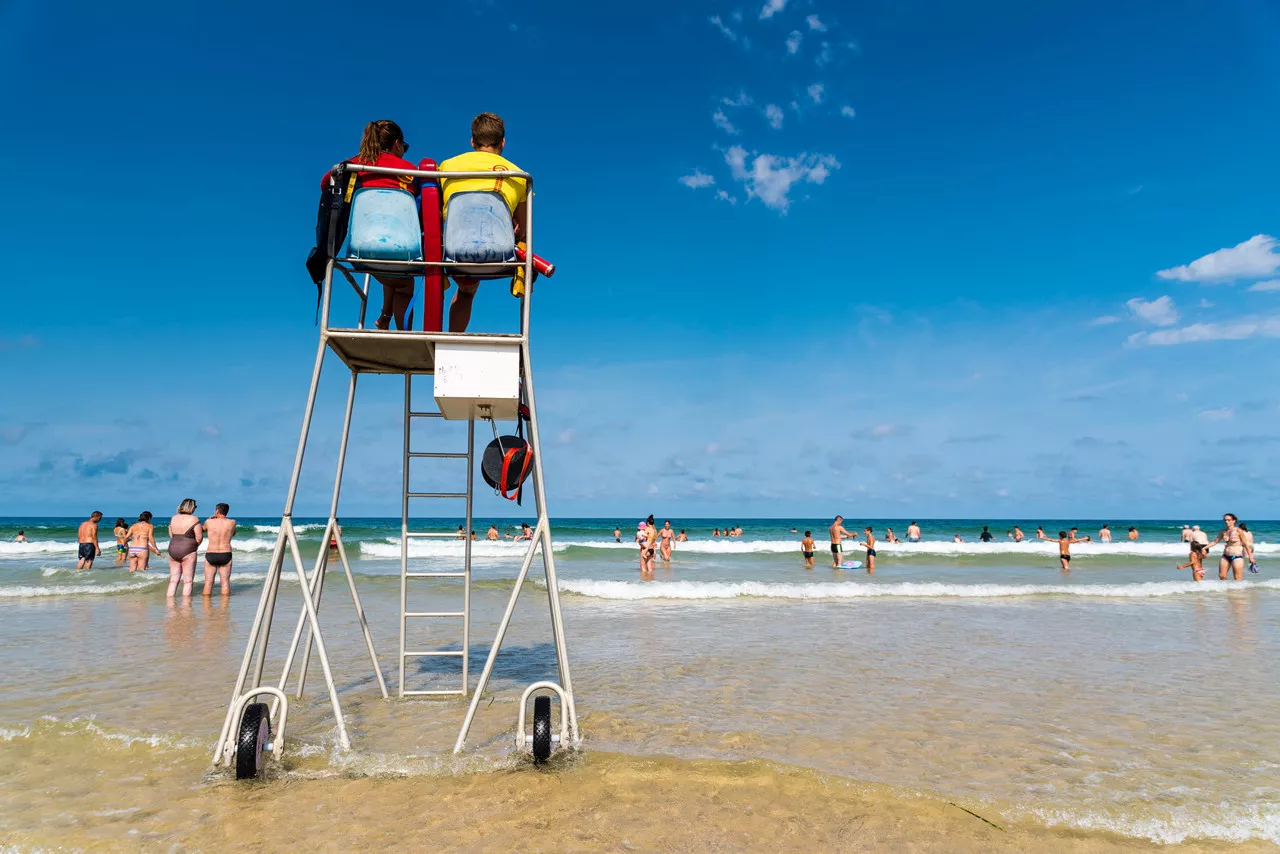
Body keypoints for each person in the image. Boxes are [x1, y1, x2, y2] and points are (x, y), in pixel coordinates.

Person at [320, 120, 419, 330]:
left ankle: (385, 317)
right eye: (404, 147)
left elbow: (326, 183)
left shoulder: (353, 165)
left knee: (388, 259)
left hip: (361, 250)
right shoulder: (412, 171)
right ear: (397, 143)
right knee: (403, 280)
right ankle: (403, 335)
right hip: (402, 250)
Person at [439, 113, 529, 333]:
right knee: (469, 290)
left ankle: (453, 338)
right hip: (500, 255)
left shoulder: (446, 167)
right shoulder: (519, 175)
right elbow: (523, 229)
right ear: (503, 142)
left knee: (466, 290)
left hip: (452, 253)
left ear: (472, 142)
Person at [166, 499, 203, 598]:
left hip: (173, 548)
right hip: (188, 550)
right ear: (190, 507)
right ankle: (186, 607)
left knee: (173, 580)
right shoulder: (194, 519)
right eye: (195, 506)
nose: (195, 508)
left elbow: (171, 534)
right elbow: (199, 538)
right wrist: (193, 546)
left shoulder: (174, 518)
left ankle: (170, 605)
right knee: (188, 581)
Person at [1204, 513, 1255, 581]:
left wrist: (1251, 557)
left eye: (1228, 520)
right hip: (1225, 556)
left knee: (1237, 578)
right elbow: (1215, 541)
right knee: (1222, 576)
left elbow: (1245, 544)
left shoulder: (1238, 530)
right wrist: (1204, 548)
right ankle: (1227, 590)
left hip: (1237, 556)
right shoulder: (1223, 531)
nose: (1226, 522)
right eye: (1225, 520)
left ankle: (1237, 591)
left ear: (1234, 521)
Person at [202, 503, 237, 597]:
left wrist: (210, 519)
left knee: (208, 582)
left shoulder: (209, 522)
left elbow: (202, 529)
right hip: (225, 553)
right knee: (225, 582)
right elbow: (233, 533)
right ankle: (224, 608)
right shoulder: (232, 522)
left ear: (217, 511)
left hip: (211, 553)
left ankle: (206, 607)